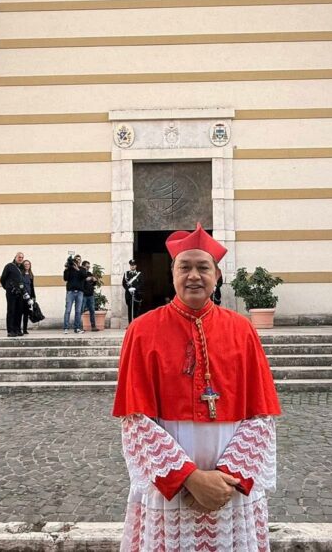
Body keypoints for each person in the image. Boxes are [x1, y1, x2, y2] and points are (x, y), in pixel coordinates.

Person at [113, 223, 281, 551]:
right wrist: (188, 478)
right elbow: (135, 420)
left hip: (230, 487)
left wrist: (226, 480)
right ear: (172, 273)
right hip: (169, 490)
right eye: (184, 267)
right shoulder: (142, 331)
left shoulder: (242, 330)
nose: (193, 275)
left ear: (217, 275)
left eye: (203, 267)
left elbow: (262, 415)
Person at [0, 251, 29, 338]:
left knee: (19, 311)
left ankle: (17, 329)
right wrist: (8, 288)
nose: (21, 259)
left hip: (20, 293)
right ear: (15, 257)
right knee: (11, 311)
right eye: (19, 257)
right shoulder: (9, 266)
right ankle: (10, 330)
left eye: (22, 258)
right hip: (11, 292)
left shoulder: (22, 268)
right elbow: (2, 279)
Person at [62, 254, 87, 334]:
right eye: (76, 259)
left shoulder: (82, 269)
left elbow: (84, 276)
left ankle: (77, 328)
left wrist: (77, 269)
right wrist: (66, 269)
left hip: (80, 292)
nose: (77, 261)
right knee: (68, 310)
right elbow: (65, 278)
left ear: (80, 261)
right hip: (70, 292)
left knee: (78, 311)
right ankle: (66, 328)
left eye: (79, 260)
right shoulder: (69, 269)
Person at [122, 259, 143, 324]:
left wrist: (135, 289)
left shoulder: (139, 274)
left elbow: (141, 283)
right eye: (131, 265)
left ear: (136, 266)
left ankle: (136, 324)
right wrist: (128, 289)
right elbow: (124, 283)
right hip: (128, 294)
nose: (132, 266)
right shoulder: (126, 274)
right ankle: (130, 324)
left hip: (136, 295)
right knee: (130, 309)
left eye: (133, 265)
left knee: (136, 310)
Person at [81, 260, 99, 332]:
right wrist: (86, 280)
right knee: (81, 311)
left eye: (89, 266)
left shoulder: (89, 273)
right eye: (87, 266)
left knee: (92, 311)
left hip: (90, 295)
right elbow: (81, 282)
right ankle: (79, 327)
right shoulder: (81, 273)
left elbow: (93, 284)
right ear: (83, 266)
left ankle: (93, 326)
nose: (88, 267)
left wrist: (94, 280)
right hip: (83, 295)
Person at [20, 259, 36, 335]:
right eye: (25, 264)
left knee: (26, 314)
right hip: (22, 296)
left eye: (28, 264)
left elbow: (32, 287)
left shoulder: (31, 275)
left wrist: (33, 296)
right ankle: (18, 329)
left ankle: (25, 329)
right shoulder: (21, 274)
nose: (27, 265)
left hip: (29, 297)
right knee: (20, 313)